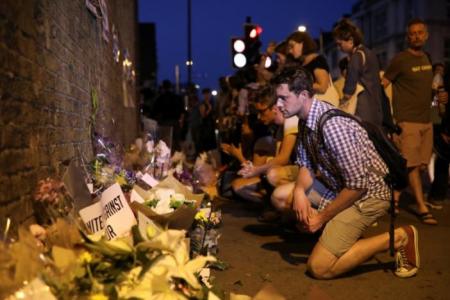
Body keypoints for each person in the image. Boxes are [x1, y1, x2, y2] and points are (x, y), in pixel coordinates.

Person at [272, 65, 420, 279]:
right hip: (342, 187)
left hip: (369, 195)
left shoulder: (333, 126)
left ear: (303, 95)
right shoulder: (305, 120)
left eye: (283, 98)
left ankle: (400, 237)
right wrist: (298, 192)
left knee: (319, 268)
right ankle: (343, 233)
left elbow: (358, 187)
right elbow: (306, 164)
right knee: (285, 197)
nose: (277, 105)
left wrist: (321, 218)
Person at [382, 18, 448, 225]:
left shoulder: (428, 59)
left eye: (420, 32)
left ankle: (395, 194)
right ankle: (421, 207)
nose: (417, 36)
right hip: (407, 121)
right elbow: (381, 85)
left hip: (426, 121)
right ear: (408, 37)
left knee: (419, 166)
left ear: (426, 35)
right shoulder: (400, 59)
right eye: (413, 33)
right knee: (411, 167)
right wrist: (389, 118)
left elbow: (431, 94)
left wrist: (440, 99)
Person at [233, 86, 299, 207]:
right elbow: (280, 159)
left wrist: (257, 169)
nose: (259, 117)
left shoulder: (291, 119)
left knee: (273, 174)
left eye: (262, 111)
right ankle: (276, 206)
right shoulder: (280, 128)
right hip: (296, 170)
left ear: (274, 108)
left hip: (309, 173)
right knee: (239, 185)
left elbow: (283, 159)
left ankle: (290, 211)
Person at [333, 19, 383, 126]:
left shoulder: (356, 57)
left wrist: (342, 102)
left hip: (362, 110)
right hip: (376, 109)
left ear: (350, 40)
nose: (339, 48)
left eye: (340, 44)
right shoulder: (370, 53)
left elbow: (349, 89)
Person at [286, 31, 339, 107]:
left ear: (302, 44)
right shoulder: (302, 64)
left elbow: (322, 87)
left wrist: (300, 84)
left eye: (292, 46)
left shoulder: (317, 60)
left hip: (323, 106)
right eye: (289, 48)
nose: (290, 51)